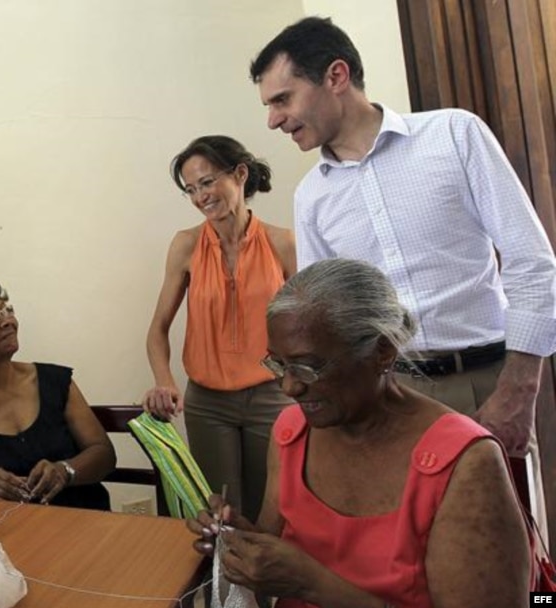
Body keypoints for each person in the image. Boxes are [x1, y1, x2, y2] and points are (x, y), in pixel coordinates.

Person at [248, 16, 556, 465]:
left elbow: (532, 262)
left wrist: (519, 390)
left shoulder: (454, 135)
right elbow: (326, 321)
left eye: (282, 99)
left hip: (487, 381)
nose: (274, 120)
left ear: (336, 76)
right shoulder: (312, 196)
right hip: (388, 399)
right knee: (406, 537)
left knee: (503, 534)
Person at [192, 258, 531, 607]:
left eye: (308, 366)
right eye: (278, 364)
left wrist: (313, 585)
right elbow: (272, 542)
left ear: (382, 352)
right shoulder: (292, 432)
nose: (290, 387)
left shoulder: (465, 464)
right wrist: (238, 544)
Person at [142, 135, 295, 520]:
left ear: (240, 174)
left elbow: (308, 326)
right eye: (191, 189)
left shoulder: (282, 243)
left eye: (207, 182)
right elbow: (157, 329)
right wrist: (165, 381)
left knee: (271, 513)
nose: (200, 197)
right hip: (208, 403)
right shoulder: (186, 245)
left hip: (273, 398)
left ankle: (268, 583)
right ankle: (222, 583)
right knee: (218, 513)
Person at [0, 279, 116, 510]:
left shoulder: (56, 382)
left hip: (86, 522)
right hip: (15, 536)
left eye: (6, 310)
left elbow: (105, 455)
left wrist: (65, 471)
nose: (8, 321)